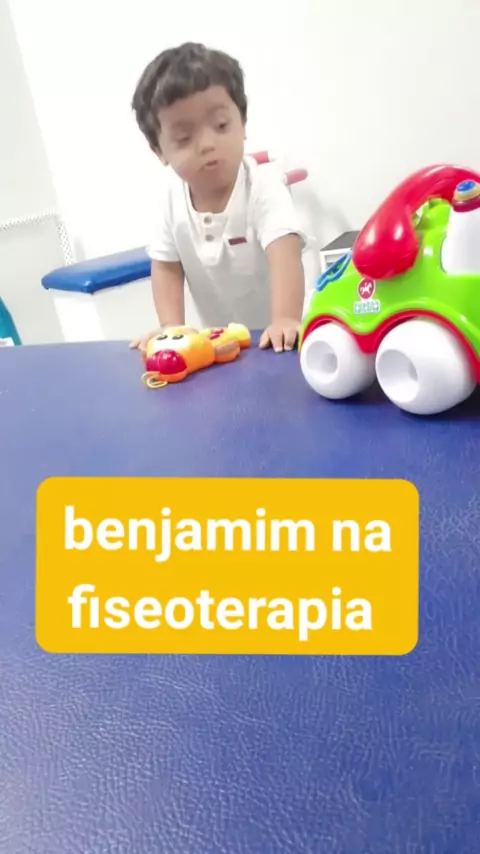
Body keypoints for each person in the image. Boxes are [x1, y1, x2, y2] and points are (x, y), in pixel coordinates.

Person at [129, 41, 308, 353]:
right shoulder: (170, 201)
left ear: (243, 123)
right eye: (184, 138)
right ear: (159, 151)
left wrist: (285, 318)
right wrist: (171, 328)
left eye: (221, 125)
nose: (207, 144)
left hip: (285, 341)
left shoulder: (263, 186)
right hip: (223, 345)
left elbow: (285, 253)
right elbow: (166, 267)